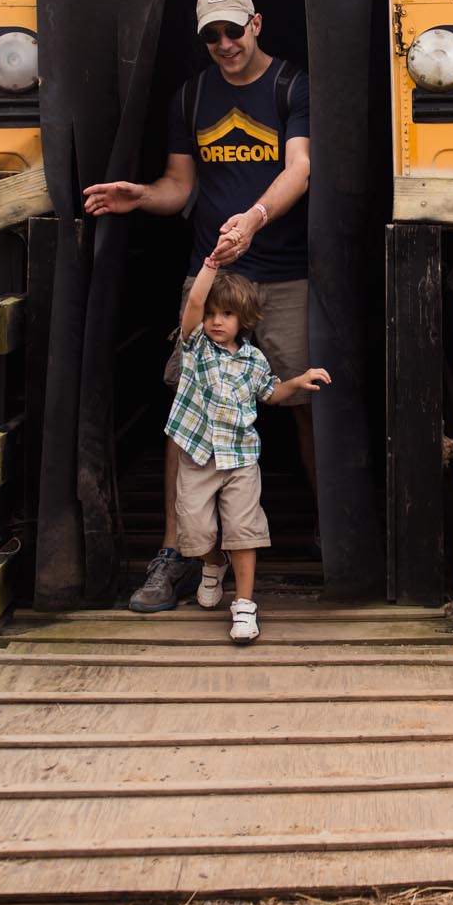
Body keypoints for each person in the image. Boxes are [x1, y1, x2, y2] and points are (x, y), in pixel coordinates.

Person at [82, 0, 315, 613]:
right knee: (187, 409)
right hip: (212, 273)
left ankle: (330, 536)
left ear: (256, 24)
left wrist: (254, 218)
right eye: (211, 36)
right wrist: (142, 196)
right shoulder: (190, 97)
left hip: (283, 268)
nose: (224, 45)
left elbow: (299, 167)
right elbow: (180, 188)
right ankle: (175, 554)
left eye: (233, 32)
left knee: (302, 400)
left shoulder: (291, 86)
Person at [164, 258, 330, 643]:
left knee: (243, 530)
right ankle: (213, 563)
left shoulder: (253, 360)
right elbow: (192, 307)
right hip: (199, 457)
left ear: (245, 320)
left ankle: (243, 604)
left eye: (226, 314)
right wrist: (209, 266)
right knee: (195, 531)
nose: (216, 321)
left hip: (239, 459)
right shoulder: (196, 347)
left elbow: (271, 393)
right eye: (211, 314)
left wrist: (298, 381)